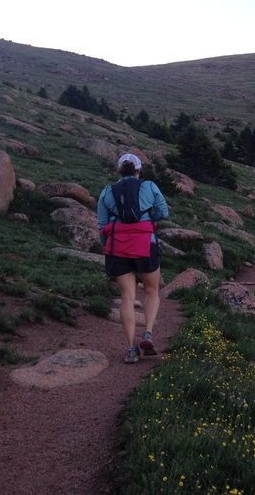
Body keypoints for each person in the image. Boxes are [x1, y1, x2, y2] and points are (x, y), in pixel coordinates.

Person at [97, 153, 169, 364]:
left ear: (119, 171)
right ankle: (147, 334)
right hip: (146, 244)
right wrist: (147, 221)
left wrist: (108, 247)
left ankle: (130, 349)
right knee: (151, 291)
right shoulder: (149, 187)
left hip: (118, 246)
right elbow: (163, 212)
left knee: (128, 297)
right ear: (138, 170)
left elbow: (102, 227)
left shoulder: (107, 191)